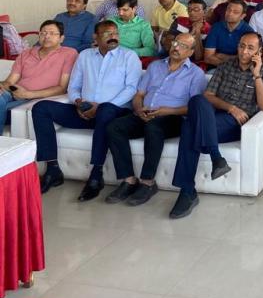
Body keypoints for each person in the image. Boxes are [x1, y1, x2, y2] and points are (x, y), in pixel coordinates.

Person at [170, 32, 263, 219]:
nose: (244, 51)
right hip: (215, 116)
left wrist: (256, 75)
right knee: (197, 100)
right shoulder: (225, 66)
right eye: (242, 46)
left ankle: (187, 192)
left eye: (250, 48)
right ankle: (216, 158)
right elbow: (208, 96)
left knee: (189, 128)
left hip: (235, 125)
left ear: (259, 51)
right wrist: (230, 107)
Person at [33, 21, 141, 200]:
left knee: (105, 110)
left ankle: (96, 174)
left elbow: (131, 89)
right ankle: (52, 169)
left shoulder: (129, 56)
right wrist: (78, 102)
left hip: (115, 113)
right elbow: (74, 86)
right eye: (107, 34)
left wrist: (100, 106)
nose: (113, 37)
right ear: (95, 37)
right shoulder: (85, 55)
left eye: (115, 33)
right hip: (85, 111)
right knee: (41, 108)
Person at [105, 33, 207, 206]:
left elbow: (194, 107)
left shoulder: (196, 74)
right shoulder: (155, 66)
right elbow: (139, 94)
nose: (176, 47)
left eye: (183, 46)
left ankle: (147, 182)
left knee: (153, 127)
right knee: (114, 127)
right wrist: (138, 109)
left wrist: (166, 111)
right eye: (175, 42)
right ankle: (129, 180)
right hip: (145, 113)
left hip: (173, 117)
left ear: (191, 52)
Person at [0, 20, 77, 126]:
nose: (47, 36)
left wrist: (27, 94)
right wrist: (3, 86)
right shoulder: (26, 53)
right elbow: (10, 81)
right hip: (13, 93)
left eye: (52, 33)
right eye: (43, 33)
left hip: (34, 99)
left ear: (61, 38)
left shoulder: (69, 54)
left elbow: (62, 88)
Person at [203, 0, 254, 67]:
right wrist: (234, 59)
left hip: (238, 70)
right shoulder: (216, 27)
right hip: (217, 67)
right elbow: (208, 58)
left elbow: (246, 59)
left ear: (242, 16)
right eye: (228, 10)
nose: (230, 14)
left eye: (235, 12)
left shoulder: (248, 32)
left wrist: (223, 56)